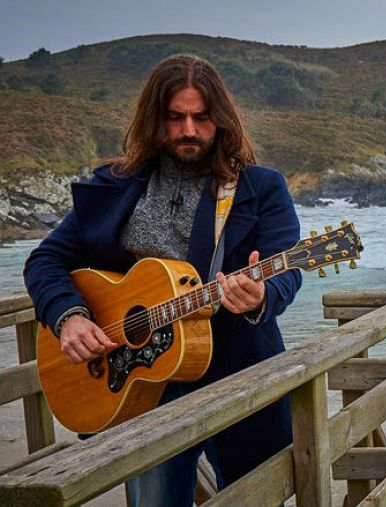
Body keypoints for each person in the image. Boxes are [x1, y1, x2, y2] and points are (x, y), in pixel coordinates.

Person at [23, 54, 302, 507]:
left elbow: (286, 269)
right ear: (155, 119)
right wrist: (69, 317)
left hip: (237, 379)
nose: (189, 129)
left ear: (222, 119)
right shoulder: (116, 186)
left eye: (200, 117)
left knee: (253, 498)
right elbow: (46, 259)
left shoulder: (260, 187)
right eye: (175, 117)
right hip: (139, 385)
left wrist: (260, 296)